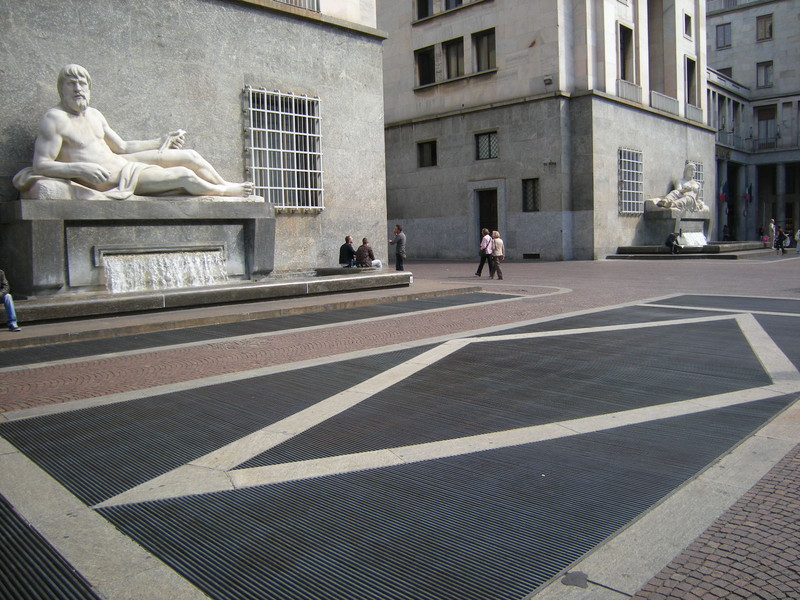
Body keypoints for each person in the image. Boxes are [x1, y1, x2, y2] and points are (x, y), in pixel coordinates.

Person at [16, 64, 253, 200]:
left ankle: (225, 182)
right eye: (71, 84)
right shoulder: (54, 119)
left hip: (120, 161)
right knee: (184, 175)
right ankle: (224, 192)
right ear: (61, 89)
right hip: (115, 179)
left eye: (82, 84)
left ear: (90, 88)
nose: (78, 89)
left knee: (189, 156)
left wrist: (160, 141)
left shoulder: (95, 114)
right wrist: (80, 169)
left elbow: (123, 148)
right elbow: (41, 165)